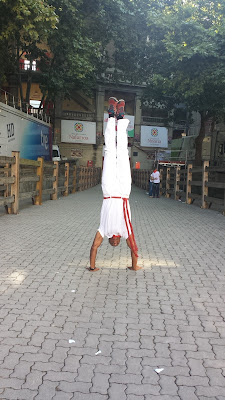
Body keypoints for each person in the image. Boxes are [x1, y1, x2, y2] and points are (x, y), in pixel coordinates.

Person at [89, 97, 142, 272]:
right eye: (117, 243)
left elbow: (94, 247)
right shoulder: (126, 232)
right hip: (124, 191)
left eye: (113, 242)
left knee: (110, 152)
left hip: (109, 190)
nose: (115, 241)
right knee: (122, 151)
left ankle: (112, 116)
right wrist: (134, 266)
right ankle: (121, 117)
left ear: (109, 240)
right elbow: (134, 248)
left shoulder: (103, 231)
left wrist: (92, 267)